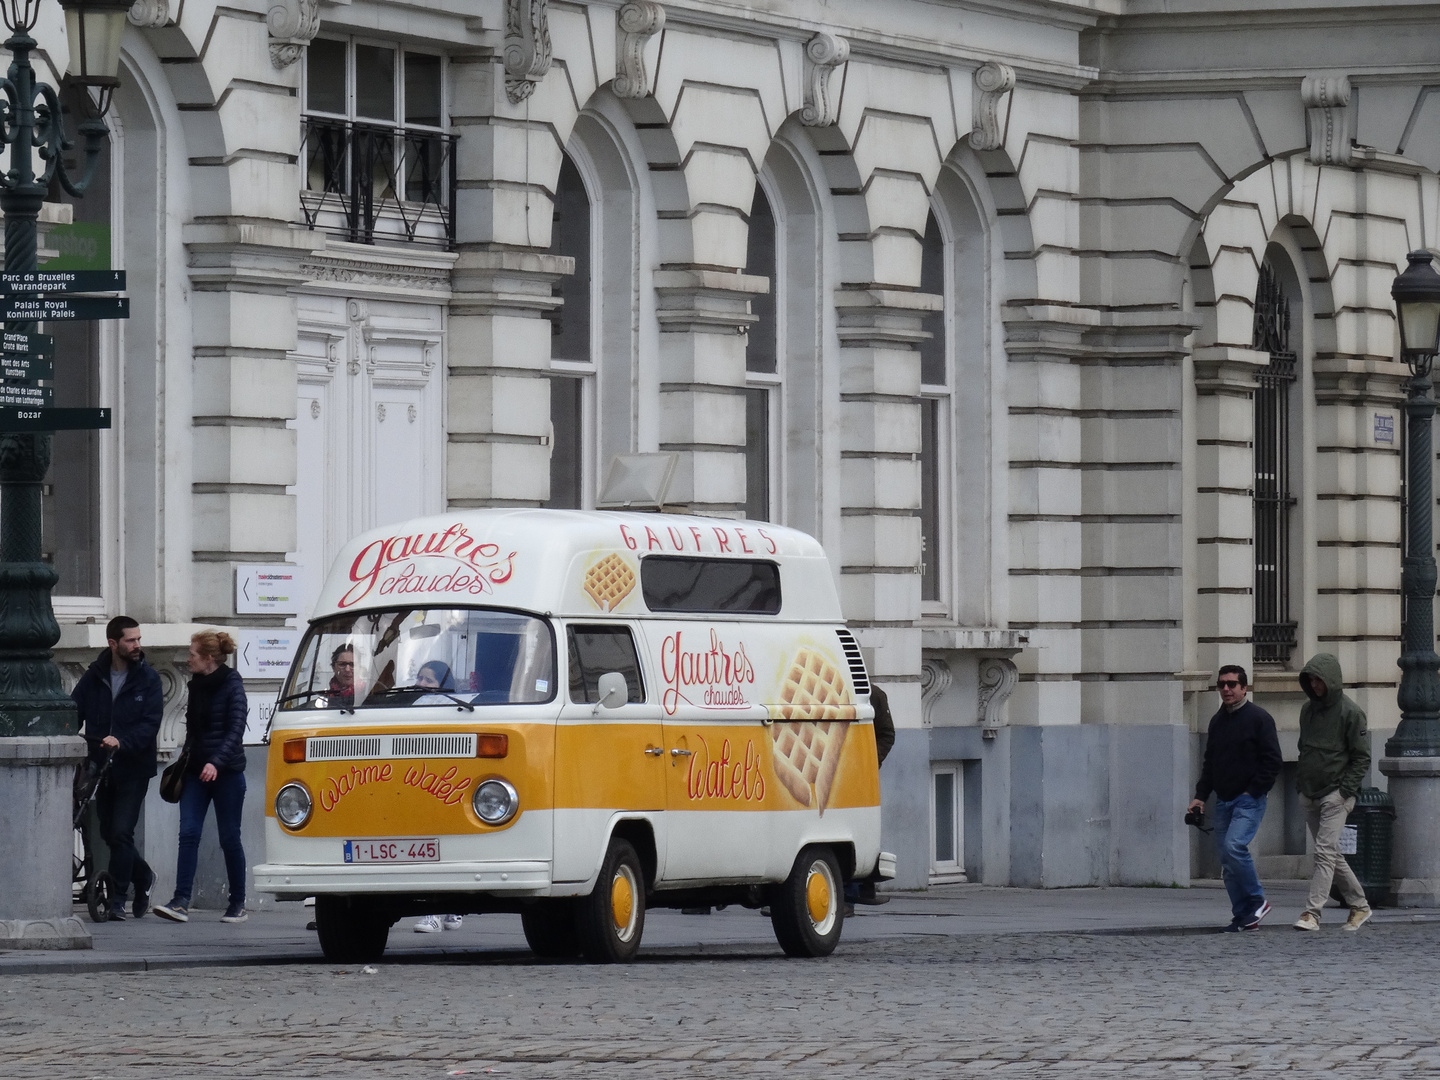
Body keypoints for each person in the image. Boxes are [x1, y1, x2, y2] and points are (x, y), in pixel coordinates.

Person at [70, 616, 164, 920]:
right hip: (101, 765)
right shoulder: (94, 676)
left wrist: (123, 741)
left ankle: (120, 896)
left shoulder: (148, 679)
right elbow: (74, 711)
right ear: (113, 644)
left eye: (138, 639)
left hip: (133, 767)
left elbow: (150, 724)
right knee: (110, 832)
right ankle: (144, 875)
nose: (137, 645)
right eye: (130, 640)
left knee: (122, 831)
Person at [153, 631, 250, 925]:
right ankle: (180, 901)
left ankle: (237, 904)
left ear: (208, 658)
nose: (188, 659)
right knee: (188, 833)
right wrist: (187, 761)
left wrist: (216, 763)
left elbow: (236, 729)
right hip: (196, 771)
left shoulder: (233, 685)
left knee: (229, 838)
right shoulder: (196, 686)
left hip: (227, 773)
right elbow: (193, 730)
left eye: (192, 654)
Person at [1187, 665, 1281, 931]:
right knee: (1227, 862)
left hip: (1248, 800)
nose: (1226, 690)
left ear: (1244, 688)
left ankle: (1257, 901)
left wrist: (1252, 791)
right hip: (1224, 799)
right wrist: (1200, 797)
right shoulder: (1217, 721)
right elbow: (1210, 763)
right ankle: (1243, 915)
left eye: (1232, 684)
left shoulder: (1259, 718)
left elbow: (1272, 761)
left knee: (1234, 847)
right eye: (1222, 685)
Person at [1293, 653, 1373, 932]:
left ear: (1332, 681)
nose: (1315, 686)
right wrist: (1301, 783)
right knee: (1331, 854)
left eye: (1319, 680)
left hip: (1336, 794)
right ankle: (1360, 905)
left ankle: (1312, 912)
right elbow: (1304, 748)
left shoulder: (1351, 713)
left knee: (1324, 852)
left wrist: (1345, 791)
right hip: (1310, 791)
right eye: (1311, 680)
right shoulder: (1307, 710)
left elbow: (1362, 757)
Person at [412, 659, 464, 935]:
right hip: (418, 786)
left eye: (429, 680)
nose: (421, 684)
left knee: (438, 850)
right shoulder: (411, 706)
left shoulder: (455, 707)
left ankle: (434, 912)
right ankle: (446, 909)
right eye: (420, 678)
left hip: (443, 787)